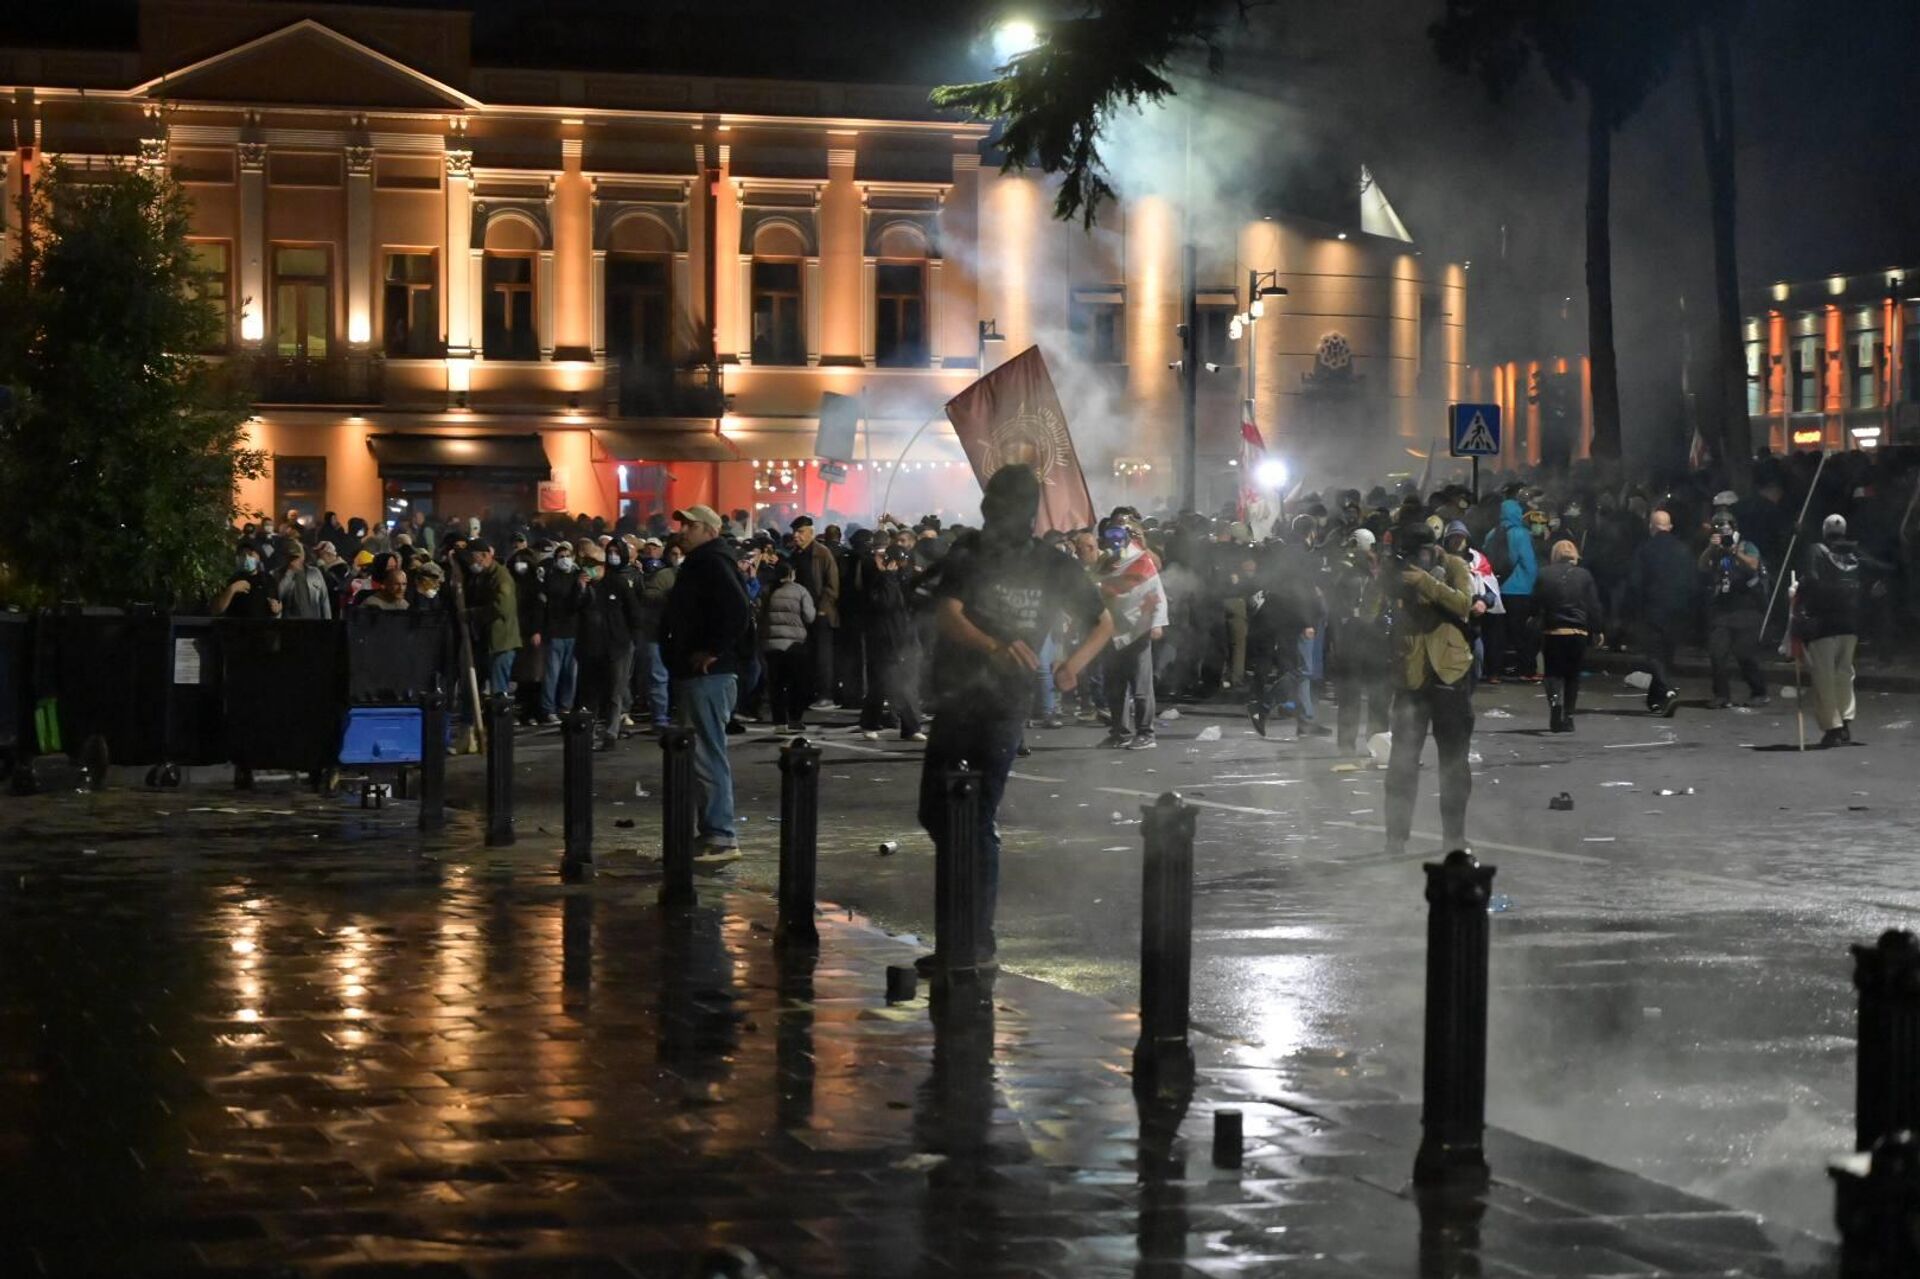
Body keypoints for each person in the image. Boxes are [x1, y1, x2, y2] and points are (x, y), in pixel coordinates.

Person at [917, 465, 1113, 974]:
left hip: (1000, 703)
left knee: (974, 816)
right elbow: (948, 612)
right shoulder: (975, 554)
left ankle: (971, 942)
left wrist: (1072, 665)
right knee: (938, 813)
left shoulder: (1048, 563)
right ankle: (965, 936)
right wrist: (998, 646)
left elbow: (1103, 622)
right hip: (961, 696)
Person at [660, 505, 756, 859]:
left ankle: (719, 835)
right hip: (701, 674)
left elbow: (737, 611)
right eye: (682, 524)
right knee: (701, 752)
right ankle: (713, 832)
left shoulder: (711, 562)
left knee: (705, 753)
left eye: (691, 525)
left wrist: (713, 649)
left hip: (708, 675)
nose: (682, 531)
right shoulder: (709, 561)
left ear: (710, 530)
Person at [1384, 522, 1476, 855]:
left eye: (1422, 553)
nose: (1418, 559)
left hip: (1450, 670)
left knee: (1454, 760)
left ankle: (1454, 837)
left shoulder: (1454, 566)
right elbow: (1373, 607)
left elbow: (1463, 604)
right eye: (1412, 554)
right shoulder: (1397, 569)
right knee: (1403, 760)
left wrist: (1426, 581)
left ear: (1434, 548)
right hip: (1411, 672)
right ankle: (1396, 837)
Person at [1797, 514, 1880, 748]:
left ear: (1824, 531)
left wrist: (1798, 590)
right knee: (1844, 673)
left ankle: (1832, 727)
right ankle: (1845, 723)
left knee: (1824, 677)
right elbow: (1877, 571)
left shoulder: (1816, 550)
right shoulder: (1855, 553)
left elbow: (1811, 581)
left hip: (1823, 623)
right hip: (1850, 623)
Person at [1097, 520, 1169, 750]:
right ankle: (1120, 732)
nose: (1114, 543)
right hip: (1112, 629)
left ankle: (1146, 733)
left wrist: (1156, 623)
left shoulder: (1142, 561)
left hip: (1138, 628)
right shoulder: (1103, 562)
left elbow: (1156, 593)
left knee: (1140, 687)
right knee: (1114, 686)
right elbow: (1097, 589)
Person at [1327, 529, 1392, 755]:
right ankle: (1347, 743)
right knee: (1350, 695)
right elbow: (1336, 606)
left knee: (1379, 696)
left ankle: (1378, 742)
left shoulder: (1382, 572)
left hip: (1376, 639)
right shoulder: (1346, 571)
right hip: (1353, 637)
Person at [1698, 510, 1770, 710]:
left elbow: (1754, 564)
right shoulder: (1716, 551)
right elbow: (1702, 566)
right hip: (1723, 607)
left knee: (1744, 653)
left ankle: (1759, 691)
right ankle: (1721, 695)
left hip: (1747, 606)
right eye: (1719, 529)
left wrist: (1734, 550)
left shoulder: (1747, 546)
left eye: (1726, 528)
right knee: (1717, 652)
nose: (1724, 532)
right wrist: (1711, 548)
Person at [1625, 509, 1693, 717]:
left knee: (1653, 654)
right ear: (1669, 527)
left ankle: (1668, 689)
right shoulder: (1683, 549)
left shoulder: (1645, 549)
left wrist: (1633, 609)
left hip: (1652, 608)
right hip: (1678, 610)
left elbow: (1635, 582)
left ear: (1651, 527)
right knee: (1667, 655)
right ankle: (1656, 699)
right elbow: (1692, 580)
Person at [574, 541, 642, 751]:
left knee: (614, 691)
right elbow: (571, 609)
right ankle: (589, 732)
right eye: (587, 563)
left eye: (593, 564)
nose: (589, 568)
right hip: (591, 646)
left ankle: (611, 733)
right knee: (591, 693)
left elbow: (634, 612)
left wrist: (632, 639)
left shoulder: (618, 583)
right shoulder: (583, 585)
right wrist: (581, 589)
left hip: (617, 646)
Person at [1532, 540, 1603, 732]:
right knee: (1572, 676)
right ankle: (1569, 716)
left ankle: (1555, 703)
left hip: (1553, 631)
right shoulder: (1584, 575)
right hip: (1578, 632)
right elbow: (1593, 605)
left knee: (1552, 672)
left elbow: (1535, 603)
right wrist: (1597, 630)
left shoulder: (1544, 574)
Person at [859, 545, 925, 741]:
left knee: (905, 685)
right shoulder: (878, 580)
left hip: (905, 639)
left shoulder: (908, 580)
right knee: (882, 684)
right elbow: (884, 604)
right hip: (884, 639)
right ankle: (871, 723)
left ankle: (911, 727)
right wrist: (887, 576)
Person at [788, 516, 841, 711]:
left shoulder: (822, 553)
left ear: (811, 532)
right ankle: (807, 694)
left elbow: (832, 585)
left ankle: (825, 695)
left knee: (822, 657)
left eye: (800, 532)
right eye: (795, 532)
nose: (796, 535)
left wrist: (822, 610)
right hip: (801, 614)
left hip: (821, 615)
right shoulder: (795, 554)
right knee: (806, 657)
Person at [532, 539, 585, 724]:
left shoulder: (578, 576)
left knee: (571, 674)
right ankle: (548, 709)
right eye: (561, 556)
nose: (565, 559)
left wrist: (581, 588)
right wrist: (538, 630)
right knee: (552, 674)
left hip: (574, 632)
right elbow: (541, 607)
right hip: (554, 632)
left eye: (567, 556)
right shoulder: (550, 577)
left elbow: (579, 605)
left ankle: (566, 706)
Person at [761, 559, 817, 733]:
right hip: (795, 644)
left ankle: (779, 722)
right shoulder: (800, 591)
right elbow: (809, 616)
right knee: (796, 683)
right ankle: (795, 718)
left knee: (776, 684)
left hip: (771, 644)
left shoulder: (767, 590)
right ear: (792, 574)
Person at [465, 540, 521, 696]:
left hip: (501, 641)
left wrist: (473, 613)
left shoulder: (501, 577)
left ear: (484, 555)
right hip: (490, 640)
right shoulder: (484, 576)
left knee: (499, 689)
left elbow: (502, 607)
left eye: (473, 558)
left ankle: (499, 710)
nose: (472, 562)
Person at [1493, 496, 1539, 680]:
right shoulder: (1522, 534)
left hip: (1498, 589)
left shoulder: (1493, 533)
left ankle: (1494, 672)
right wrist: (1535, 585)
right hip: (1520, 590)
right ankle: (1526, 670)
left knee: (1498, 633)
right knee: (1521, 633)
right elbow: (1529, 564)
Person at [634, 537, 675, 732]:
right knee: (658, 676)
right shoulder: (662, 576)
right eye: (674, 554)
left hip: (677, 633)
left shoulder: (693, 574)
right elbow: (648, 596)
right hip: (655, 632)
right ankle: (659, 717)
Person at [215, 543, 282, 618]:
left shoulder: (268, 579)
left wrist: (276, 609)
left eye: (250, 554)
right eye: (243, 555)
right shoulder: (231, 579)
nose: (247, 558)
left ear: (258, 557)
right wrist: (232, 589)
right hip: (236, 624)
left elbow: (277, 606)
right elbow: (217, 609)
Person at [275, 539, 333, 620]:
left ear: (303, 555)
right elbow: (277, 597)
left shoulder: (314, 572)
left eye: (299, 556)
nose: (297, 559)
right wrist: (289, 573)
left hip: (314, 620)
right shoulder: (278, 574)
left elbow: (324, 600)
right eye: (293, 556)